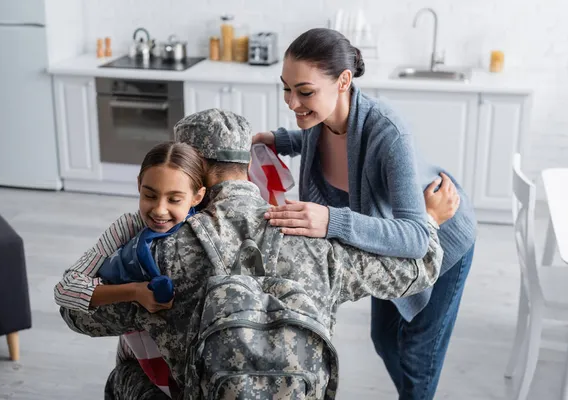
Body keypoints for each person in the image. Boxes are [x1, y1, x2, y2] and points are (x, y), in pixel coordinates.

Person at [56, 109, 455, 399]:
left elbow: (79, 316)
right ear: (247, 166)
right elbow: (420, 270)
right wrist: (430, 224)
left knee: (127, 367)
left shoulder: (162, 250)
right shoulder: (314, 235)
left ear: (193, 176)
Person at [252, 28, 478, 399]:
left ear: (343, 81)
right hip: (387, 243)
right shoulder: (320, 118)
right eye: (286, 89)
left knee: (419, 354)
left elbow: (417, 236)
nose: (292, 102)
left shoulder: (389, 134)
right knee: (384, 336)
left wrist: (331, 220)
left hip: (444, 238)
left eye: (304, 92)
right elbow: (314, 138)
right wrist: (277, 139)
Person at [54, 142, 207, 399]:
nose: (159, 209)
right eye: (149, 195)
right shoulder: (128, 226)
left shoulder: (206, 232)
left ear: (197, 197)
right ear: (138, 186)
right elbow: (65, 289)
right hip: (136, 355)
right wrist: (135, 291)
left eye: (174, 199)